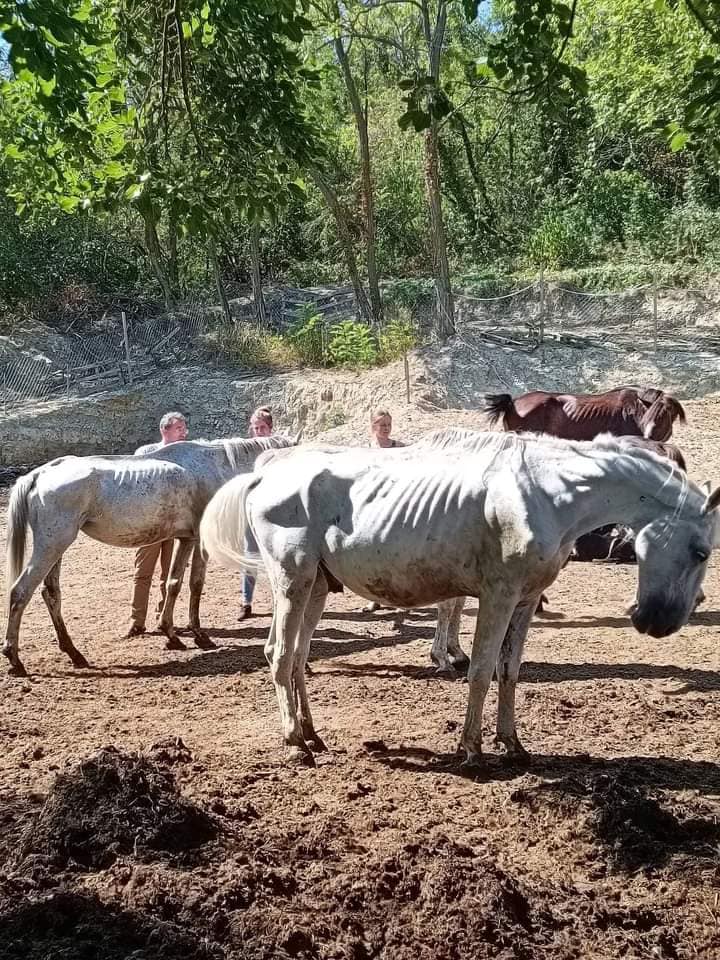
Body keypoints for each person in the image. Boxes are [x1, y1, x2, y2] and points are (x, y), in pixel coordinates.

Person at [127, 411, 188, 637]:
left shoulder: (185, 454)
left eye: (184, 428)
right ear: (165, 430)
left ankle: (165, 617)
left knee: (170, 574)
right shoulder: (145, 453)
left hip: (174, 523)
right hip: (149, 525)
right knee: (143, 573)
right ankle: (137, 621)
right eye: (179, 428)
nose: (184, 432)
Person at [239, 406, 273, 620]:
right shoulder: (245, 450)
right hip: (252, 506)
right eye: (255, 428)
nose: (259, 431)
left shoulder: (278, 449)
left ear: (270, 429)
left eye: (262, 427)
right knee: (250, 555)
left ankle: (280, 600)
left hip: (275, 508)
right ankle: (246, 601)